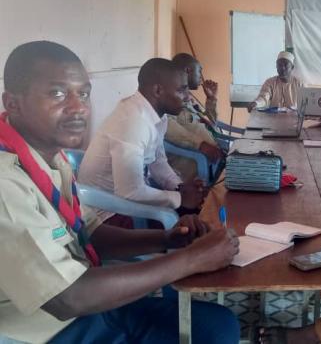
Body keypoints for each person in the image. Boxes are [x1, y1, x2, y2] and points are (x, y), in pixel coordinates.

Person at [0, 41, 240, 343]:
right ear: (13, 103)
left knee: (219, 325)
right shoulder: (6, 184)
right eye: (57, 93)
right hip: (53, 329)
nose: (78, 108)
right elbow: (66, 297)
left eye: (83, 94)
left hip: (89, 306)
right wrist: (191, 259)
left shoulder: (50, 157)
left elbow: (88, 233)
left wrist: (167, 239)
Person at [79, 58, 207, 225]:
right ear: (158, 90)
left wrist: (179, 187)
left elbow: (157, 162)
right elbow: (129, 192)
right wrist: (180, 198)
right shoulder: (133, 123)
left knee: (200, 211)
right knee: (191, 226)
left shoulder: (157, 117)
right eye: (181, 90)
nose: (188, 97)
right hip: (106, 214)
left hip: (129, 198)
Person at [165, 53, 224, 182]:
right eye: (199, 71)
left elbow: (212, 125)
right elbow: (166, 126)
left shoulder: (189, 97)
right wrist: (200, 144)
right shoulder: (169, 97)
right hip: (195, 172)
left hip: (215, 164)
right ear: (188, 71)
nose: (201, 77)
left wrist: (211, 99)